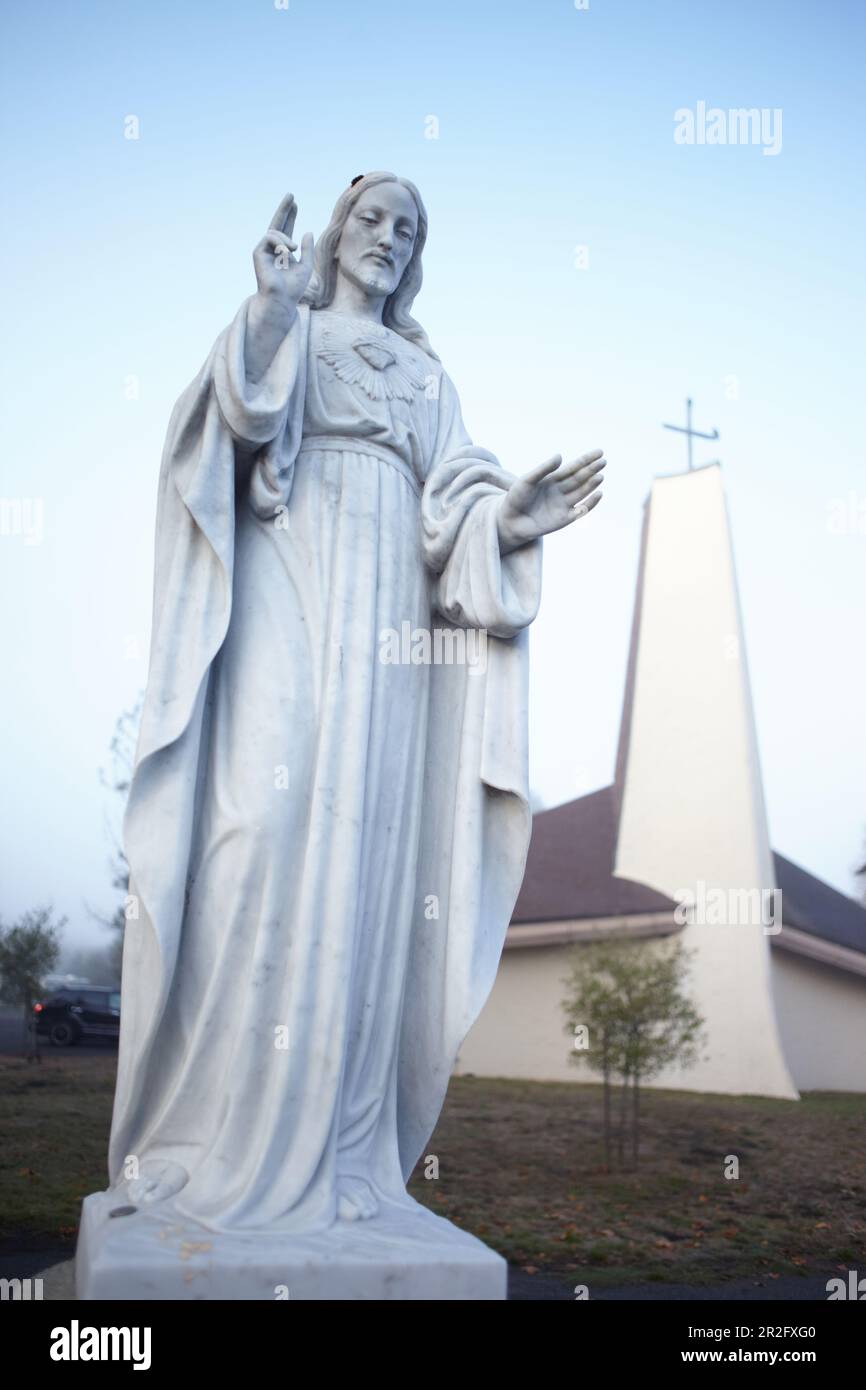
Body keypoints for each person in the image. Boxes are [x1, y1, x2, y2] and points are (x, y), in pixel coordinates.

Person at [107, 172, 605, 1233]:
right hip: (288, 586)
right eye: (373, 219)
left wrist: (506, 523)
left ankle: (342, 1153)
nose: (387, 238)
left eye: (408, 229)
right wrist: (271, 312)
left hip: (393, 635)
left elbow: (454, 506)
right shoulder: (287, 324)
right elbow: (230, 427)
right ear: (337, 235)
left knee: (373, 862)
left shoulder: (427, 380)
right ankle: (217, 1129)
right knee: (261, 828)